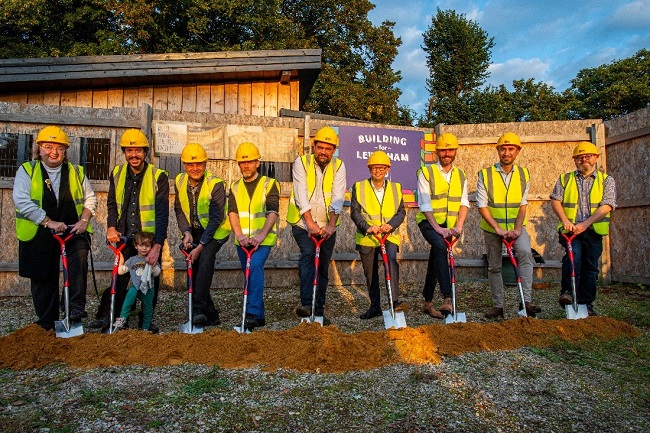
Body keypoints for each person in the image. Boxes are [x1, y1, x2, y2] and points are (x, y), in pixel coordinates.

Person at [13, 126, 97, 330]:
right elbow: (21, 200)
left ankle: (74, 310)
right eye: (48, 147)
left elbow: (90, 198)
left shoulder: (77, 172)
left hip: (72, 228)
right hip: (39, 229)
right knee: (43, 275)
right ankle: (47, 321)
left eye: (59, 147)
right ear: (39, 148)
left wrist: (84, 221)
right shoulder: (27, 170)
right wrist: (48, 222)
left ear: (65, 150)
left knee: (79, 257)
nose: (54, 152)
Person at [88, 129, 169, 332]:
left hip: (148, 241)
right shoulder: (117, 173)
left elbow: (162, 214)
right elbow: (113, 205)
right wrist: (111, 227)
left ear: (145, 152)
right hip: (124, 238)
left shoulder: (158, 177)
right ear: (124, 152)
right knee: (121, 278)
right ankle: (116, 319)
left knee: (150, 280)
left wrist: (157, 246)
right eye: (129, 150)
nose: (134, 155)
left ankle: (146, 319)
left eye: (138, 150)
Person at [476, 132, 541, 318]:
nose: (506, 153)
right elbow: (482, 205)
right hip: (492, 229)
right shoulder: (485, 174)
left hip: (515, 227)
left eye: (511, 149)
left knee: (526, 254)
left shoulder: (523, 174)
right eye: (503, 149)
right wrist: (498, 229)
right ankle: (498, 306)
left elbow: (522, 204)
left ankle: (525, 301)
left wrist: (518, 228)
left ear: (517, 151)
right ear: (498, 150)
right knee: (494, 266)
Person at [287, 125, 346, 324]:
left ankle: (318, 311)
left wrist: (331, 225)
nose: (324, 152)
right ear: (314, 146)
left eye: (328, 149)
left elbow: (338, 197)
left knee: (322, 267)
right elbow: (300, 194)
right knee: (309, 256)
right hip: (303, 224)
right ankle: (306, 305)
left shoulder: (339, 166)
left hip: (327, 226)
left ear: (333, 150)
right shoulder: (301, 163)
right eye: (320, 147)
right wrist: (310, 223)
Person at [550, 142, 616, 316]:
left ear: (595, 158)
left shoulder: (606, 180)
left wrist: (585, 224)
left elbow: (608, 205)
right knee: (574, 258)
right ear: (574, 160)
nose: (583, 159)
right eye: (579, 157)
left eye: (587, 156)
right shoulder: (565, 179)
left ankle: (586, 304)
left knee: (590, 267)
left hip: (593, 230)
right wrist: (565, 220)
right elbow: (556, 200)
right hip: (570, 231)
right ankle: (567, 293)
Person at [175, 142, 230, 326]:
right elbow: (179, 209)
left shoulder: (215, 184)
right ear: (184, 165)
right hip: (195, 232)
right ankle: (211, 315)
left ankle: (197, 310)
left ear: (205, 164)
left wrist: (201, 245)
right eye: (190, 164)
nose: (195, 168)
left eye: (199, 164)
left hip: (215, 233)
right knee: (196, 268)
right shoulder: (180, 181)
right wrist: (186, 232)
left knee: (204, 260)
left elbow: (216, 218)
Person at [416, 132, 469, 319]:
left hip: (450, 225)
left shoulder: (461, 175)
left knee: (436, 257)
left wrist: (459, 226)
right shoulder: (426, 172)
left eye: (450, 150)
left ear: (455, 151)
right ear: (437, 152)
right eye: (443, 150)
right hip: (429, 222)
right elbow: (424, 204)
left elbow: (464, 203)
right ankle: (448, 298)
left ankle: (427, 301)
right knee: (439, 246)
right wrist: (438, 228)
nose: (447, 153)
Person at [228, 142, 279, 331]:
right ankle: (260, 317)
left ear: (258, 162)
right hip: (241, 241)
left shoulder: (269, 184)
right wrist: (239, 235)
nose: (246, 165)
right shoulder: (234, 186)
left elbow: (273, 212)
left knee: (255, 266)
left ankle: (251, 314)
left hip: (262, 241)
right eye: (242, 162)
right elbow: (232, 212)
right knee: (250, 275)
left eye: (250, 161)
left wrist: (260, 236)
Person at [350, 150, 407, 319]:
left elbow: (401, 212)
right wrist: (367, 227)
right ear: (369, 169)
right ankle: (375, 307)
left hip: (388, 236)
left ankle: (394, 302)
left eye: (382, 168)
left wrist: (390, 225)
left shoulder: (396, 188)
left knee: (390, 262)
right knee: (370, 273)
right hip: (367, 237)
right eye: (375, 167)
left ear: (387, 169)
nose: (378, 171)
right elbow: (354, 212)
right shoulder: (359, 187)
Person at [113, 232, 161, 332]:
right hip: (135, 286)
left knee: (148, 308)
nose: (144, 248)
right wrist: (120, 259)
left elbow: (157, 273)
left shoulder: (152, 259)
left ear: (151, 247)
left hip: (148, 287)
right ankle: (122, 318)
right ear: (136, 246)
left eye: (147, 246)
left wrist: (153, 267)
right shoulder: (132, 260)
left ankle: (145, 327)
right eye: (141, 245)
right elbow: (122, 271)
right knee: (128, 300)